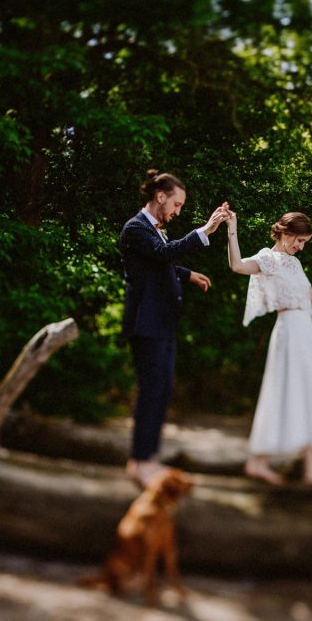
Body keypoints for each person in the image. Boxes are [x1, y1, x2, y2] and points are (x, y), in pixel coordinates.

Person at [225, 208, 312, 487]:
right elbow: (237, 266)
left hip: (304, 331)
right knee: (288, 391)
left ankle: (286, 464)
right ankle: (280, 464)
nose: (300, 247)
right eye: (298, 241)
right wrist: (231, 228)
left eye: (304, 243)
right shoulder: (268, 259)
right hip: (288, 332)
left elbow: (311, 297)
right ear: (285, 233)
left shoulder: (295, 265)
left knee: (305, 392)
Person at [119, 170, 229, 488]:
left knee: (163, 389)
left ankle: (149, 459)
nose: (177, 211)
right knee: (150, 392)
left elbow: (159, 263)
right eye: (176, 204)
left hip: (161, 323)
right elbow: (160, 254)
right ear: (160, 196)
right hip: (146, 323)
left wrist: (186, 274)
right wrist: (206, 230)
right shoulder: (135, 228)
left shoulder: (152, 229)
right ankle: (139, 462)